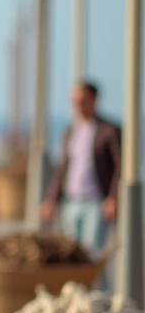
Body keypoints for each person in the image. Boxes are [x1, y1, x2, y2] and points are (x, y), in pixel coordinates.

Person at [41, 81, 122, 254]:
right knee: (72, 254)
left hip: (96, 202)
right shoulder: (70, 131)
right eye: (74, 101)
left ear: (93, 100)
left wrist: (113, 197)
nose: (76, 105)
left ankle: (96, 283)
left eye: (81, 100)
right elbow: (62, 168)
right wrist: (51, 199)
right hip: (71, 201)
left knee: (93, 254)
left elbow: (119, 166)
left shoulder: (109, 130)